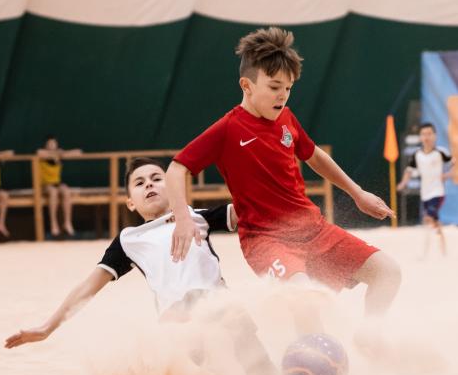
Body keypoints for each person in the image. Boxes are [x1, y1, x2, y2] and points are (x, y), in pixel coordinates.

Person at [165, 27, 400, 325]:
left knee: (388, 272)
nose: (283, 96)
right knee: (305, 297)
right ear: (247, 85)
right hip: (267, 240)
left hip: (315, 231)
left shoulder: (287, 119)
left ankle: (371, 336)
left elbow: (314, 156)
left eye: (288, 88)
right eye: (275, 86)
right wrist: (183, 219)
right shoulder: (228, 129)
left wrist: (358, 193)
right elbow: (176, 169)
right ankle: (309, 348)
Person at [3, 157, 274, 375]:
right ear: (131, 202)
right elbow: (88, 287)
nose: (149, 184)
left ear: (174, 188)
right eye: (140, 183)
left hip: (222, 311)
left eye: (157, 179)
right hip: (177, 325)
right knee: (197, 315)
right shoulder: (130, 239)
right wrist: (47, 328)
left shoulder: (196, 217)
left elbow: (252, 208)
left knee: (260, 372)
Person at [396, 122, 452, 256]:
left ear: (435, 136)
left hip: (438, 193)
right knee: (434, 221)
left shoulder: (441, 153)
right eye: (424, 134)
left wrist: (447, 175)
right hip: (425, 194)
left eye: (429, 134)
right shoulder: (417, 155)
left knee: (428, 218)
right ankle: (441, 247)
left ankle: (429, 248)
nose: (427, 137)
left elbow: (454, 164)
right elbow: (409, 171)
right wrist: (403, 183)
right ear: (420, 137)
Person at [37, 135, 82, 238]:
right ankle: (54, 224)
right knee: (53, 192)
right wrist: (58, 153)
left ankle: (67, 222)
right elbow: (39, 153)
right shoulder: (43, 154)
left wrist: (62, 153)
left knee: (66, 191)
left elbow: (78, 152)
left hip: (57, 183)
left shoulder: (59, 154)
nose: (52, 145)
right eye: (49, 144)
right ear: (45, 145)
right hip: (45, 184)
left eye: (53, 143)